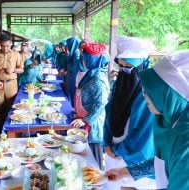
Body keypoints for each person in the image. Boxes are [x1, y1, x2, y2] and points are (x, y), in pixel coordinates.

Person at [105, 50, 189, 190]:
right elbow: (163, 161)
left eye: (149, 92)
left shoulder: (185, 137)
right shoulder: (167, 121)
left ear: (168, 94)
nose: (144, 97)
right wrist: (124, 172)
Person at [102, 36, 156, 165]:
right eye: (121, 66)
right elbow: (109, 111)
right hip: (113, 149)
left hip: (134, 162)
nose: (123, 71)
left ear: (143, 65)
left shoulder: (149, 95)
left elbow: (144, 136)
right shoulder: (119, 85)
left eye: (128, 66)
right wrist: (106, 141)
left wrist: (118, 150)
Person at [71, 41, 110, 169]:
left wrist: (85, 120)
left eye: (86, 57)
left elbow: (101, 104)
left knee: (94, 161)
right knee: (85, 157)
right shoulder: (92, 73)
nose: (83, 60)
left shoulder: (98, 78)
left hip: (94, 125)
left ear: (93, 59)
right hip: (85, 120)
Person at [0, 34, 23, 139]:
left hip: (11, 84)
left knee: (12, 108)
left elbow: (21, 69)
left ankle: (12, 134)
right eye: (3, 46)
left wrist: (13, 70)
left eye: (7, 46)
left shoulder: (16, 54)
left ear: (10, 44)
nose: (5, 48)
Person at [65, 36, 82, 107]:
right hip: (70, 77)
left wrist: (68, 70)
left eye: (69, 45)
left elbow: (74, 68)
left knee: (73, 96)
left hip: (74, 78)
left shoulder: (77, 54)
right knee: (70, 95)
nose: (68, 47)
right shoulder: (73, 53)